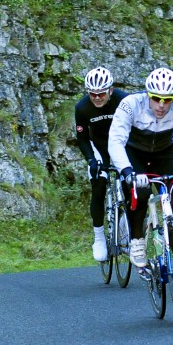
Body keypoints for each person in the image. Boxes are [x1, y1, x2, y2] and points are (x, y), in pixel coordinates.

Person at [108, 67, 173, 291]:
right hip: (134, 153)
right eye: (156, 99)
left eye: (167, 100)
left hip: (164, 154)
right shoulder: (130, 104)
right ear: (147, 94)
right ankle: (137, 239)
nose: (162, 105)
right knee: (141, 192)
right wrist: (127, 171)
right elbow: (115, 140)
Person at [74, 66, 129, 261]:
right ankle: (98, 238)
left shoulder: (123, 100)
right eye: (92, 94)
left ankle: (125, 225)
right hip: (99, 148)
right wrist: (91, 160)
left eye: (101, 94)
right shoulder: (82, 108)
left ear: (110, 90)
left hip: (122, 144)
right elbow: (82, 138)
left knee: (130, 183)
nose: (97, 98)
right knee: (98, 183)